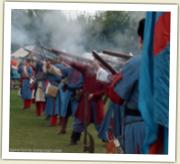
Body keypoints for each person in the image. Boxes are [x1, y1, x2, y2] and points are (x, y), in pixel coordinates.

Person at [106, 18, 146, 154]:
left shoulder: (136, 63)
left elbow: (116, 96)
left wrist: (113, 79)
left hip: (140, 126)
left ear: (140, 39)